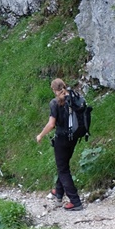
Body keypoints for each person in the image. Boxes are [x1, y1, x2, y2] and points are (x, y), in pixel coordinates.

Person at [36, 78, 83, 211]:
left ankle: (75, 201)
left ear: (54, 90)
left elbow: (51, 124)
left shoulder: (55, 103)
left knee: (63, 169)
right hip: (74, 137)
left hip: (62, 139)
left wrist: (40, 135)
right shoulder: (75, 98)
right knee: (63, 165)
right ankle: (58, 191)